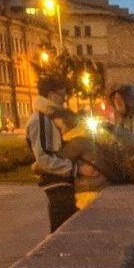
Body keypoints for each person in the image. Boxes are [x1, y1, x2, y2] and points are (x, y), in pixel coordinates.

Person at [26, 78, 96, 231]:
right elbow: (45, 159)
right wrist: (77, 169)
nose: (64, 100)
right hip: (56, 184)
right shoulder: (40, 120)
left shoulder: (52, 118)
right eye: (62, 96)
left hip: (64, 182)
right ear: (51, 95)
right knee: (62, 232)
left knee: (69, 229)